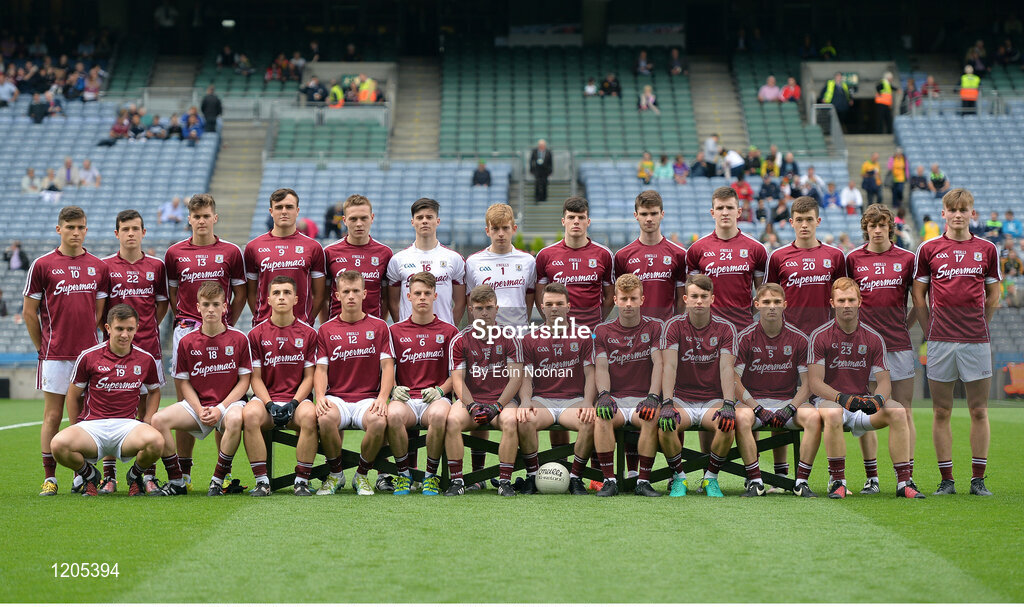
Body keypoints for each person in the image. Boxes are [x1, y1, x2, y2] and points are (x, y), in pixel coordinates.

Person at [913, 189, 1000, 496]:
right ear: (944, 213)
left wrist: (982, 324)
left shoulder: (987, 249)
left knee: (978, 410)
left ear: (972, 213)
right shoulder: (929, 248)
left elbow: (994, 293)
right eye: (953, 210)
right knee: (941, 411)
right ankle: (946, 480)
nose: (959, 215)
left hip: (975, 340)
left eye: (964, 210)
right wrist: (928, 328)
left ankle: (978, 479)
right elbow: (918, 295)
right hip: (940, 341)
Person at [809, 279, 923, 499]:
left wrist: (878, 400)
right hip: (830, 402)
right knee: (833, 412)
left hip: (861, 402)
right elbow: (815, 383)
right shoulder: (819, 335)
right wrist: (843, 399)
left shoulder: (873, 337)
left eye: (851, 299)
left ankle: (904, 482)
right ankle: (838, 482)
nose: (846, 305)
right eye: (841, 300)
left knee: (899, 411)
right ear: (832, 302)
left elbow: (884, 381)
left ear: (860, 302)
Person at [24, 206, 110, 496]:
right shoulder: (43, 264)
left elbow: (99, 315)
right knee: (52, 415)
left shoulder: (99, 267)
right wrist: (42, 347)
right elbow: (28, 311)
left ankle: (80, 474)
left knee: (83, 418)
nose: (76, 232)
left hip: (87, 356)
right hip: (55, 355)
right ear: (58, 229)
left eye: (81, 227)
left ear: (86, 230)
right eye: (70, 227)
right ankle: (51, 478)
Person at [163, 194, 246, 493]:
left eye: (206, 215)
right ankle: (183, 472)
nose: (201, 220)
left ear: (215, 217)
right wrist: (187, 320)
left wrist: (227, 324)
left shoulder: (231, 251)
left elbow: (240, 294)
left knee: (220, 399)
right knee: (188, 403)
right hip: (188, 331)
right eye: (196, 216)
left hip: (221, 331)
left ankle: (222, 473)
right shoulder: (174, 253)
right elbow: (172, 295)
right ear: (189, 219)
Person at [49, 304, 164, 497]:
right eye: (119, 328)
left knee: (156, 442)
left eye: (130, 329)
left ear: (137, 329)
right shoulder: (89, 356)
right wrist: (75, 425)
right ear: (108, 328)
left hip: (127, 426)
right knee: (58, 445)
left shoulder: (146, 359)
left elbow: (154, 391)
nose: (125, 334)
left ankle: (134, 476)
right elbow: (73, 395)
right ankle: (90, 475)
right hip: (93, 426)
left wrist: (148, 419)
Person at [151, 281, 251, 496]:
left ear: (225, 307)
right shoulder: (186, 341)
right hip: (198, 405)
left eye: (216, 304)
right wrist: (198, 409)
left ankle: (218, 479)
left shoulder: (239, 338)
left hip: (229, 404)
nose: (211, 309)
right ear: (198, 307)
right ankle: (177, 480)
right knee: (158, 420)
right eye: (206, 305)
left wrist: (220, 408)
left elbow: (244, 382)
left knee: (234, 419)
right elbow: (183, 382)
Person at [847, 204, 918, 489]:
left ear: (890, 226)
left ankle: (907, 478)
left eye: (882, 225)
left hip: (897, 345)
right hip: (861, 349)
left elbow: (920, 301)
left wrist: (905, 325)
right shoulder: (852, 259)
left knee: (904, 409)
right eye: (872, 225)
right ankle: (872, 478)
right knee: (865, 410)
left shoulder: (907, 259)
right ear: (866, 227)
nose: (877, 230)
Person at [98, 209, 169, 494]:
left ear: (144, 233)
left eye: (135, 229)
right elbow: (101, 307)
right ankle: (109, 475)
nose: (130, 233)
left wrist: (147, 329)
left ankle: (145, 474)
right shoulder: (105, 267)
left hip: (148, 348)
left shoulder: (156, 266)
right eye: (125, 229)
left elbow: (161, 305)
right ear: (117, 233)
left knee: (147, 411)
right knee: (110, 408)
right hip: (113, 353)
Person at [733, 283, 822, 497]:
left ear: (785, 305)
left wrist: (791, 408)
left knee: (813, 418)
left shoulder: (799, 338)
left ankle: (801, 481)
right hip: (752, 402)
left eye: (776, 302)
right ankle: (755, 481)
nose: (771, 307)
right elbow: (733, 379)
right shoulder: (745, 337)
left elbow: (808, 382)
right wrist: (756, 408)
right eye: (766, 302)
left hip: (786, 400)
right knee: (741, 418)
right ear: (756, 305)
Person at [313, 271, 394, 496]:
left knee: (378, 422)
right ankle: (336, 474)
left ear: (365, 294)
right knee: (325, 417)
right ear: (337, 295)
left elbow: (388, 367)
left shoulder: (379, 327)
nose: (351, 296)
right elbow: (321, 369)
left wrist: (382, 398)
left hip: (368, 398)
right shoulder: (326, 329)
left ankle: (362, 475)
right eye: (346, 291)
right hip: (336, 397)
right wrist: (320, 397)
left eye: (356, 291)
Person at [659, 274, 739, 497]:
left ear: (713, 299)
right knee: (665, 423)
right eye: (694, 296)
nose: (699, 301)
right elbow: (670, 367)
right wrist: (667, 402)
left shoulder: (725, 328)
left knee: (727, 423)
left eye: (704, 296)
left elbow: (726, 369)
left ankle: (710, 478)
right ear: (685, 298)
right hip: (682, 397)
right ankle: (679, 477)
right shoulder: (672, 326)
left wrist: (728, 404)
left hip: (712, 398)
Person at [516, 283, 597, 496]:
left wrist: (588, 402)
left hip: (574, 400)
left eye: (559, 304)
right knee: (524, 419)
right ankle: (532, 476)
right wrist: (525, 401)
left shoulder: (584, 335)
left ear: (569, 306)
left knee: (591, 420)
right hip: (543, 400)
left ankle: (575, 478)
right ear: (541, 307)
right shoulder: (529, 338)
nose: (554, 308)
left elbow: (591, 374)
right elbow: (525, 376)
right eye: (549, 304)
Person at [242, 276, 319, 496]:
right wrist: (269, 404)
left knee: (310, 417)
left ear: (296, 298)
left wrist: (294, 403)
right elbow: (255, 378)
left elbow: (309, 377)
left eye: (286, 293)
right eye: (276, 293)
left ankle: (302, 480)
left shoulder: (309, 333)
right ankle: (262, 482)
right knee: (249, 415)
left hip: (298, 399)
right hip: (267, 399)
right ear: (268, 299)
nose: (281, 297)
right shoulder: (256, 334)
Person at [444, 285, 523, 496]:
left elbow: (516, 379)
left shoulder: (509, 336)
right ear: (471, 310)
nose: (484, 313)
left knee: (509, 421)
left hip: (502, 401)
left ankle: (505, 481)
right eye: (479, 308)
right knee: (451, 421)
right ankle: (457, 481)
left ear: (497, 308)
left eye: (489, 308)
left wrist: (497, 407)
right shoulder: (460, 339)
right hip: (471, 400)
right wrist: (471, 406)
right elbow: (458, 381)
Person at [385, 272, 459, 496]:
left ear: (436, 295)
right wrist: (393, 388)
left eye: (427, 293)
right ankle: (403, 475)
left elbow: (456, 374)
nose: (422, 297)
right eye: (417, 293)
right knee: (393, 415)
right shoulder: (394, 331)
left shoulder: (449, 331)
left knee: (438, 416)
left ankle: (430, 476)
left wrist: (440, 390)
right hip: (406, 400)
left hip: (435, 399)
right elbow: (386, 369)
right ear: (408, 296)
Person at [592, 274, 664, 496]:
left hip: (643, 397)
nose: (629, 304)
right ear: (615, 300)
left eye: (633, 298)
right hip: (616, 399)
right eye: (624, 299)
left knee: (651, 416)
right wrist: (604, 394)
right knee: (602, 415)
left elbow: (659, 363)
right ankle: (609, 480)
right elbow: (601, 367)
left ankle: (643, 481)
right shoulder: (603, 330)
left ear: (643, 299)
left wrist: (652, 396)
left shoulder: (655, 327)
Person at [685, 186, 768, 331]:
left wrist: (746, 315)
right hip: (707, 330)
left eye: (730, 207)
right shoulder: (696, 249)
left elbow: (762, 294)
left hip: (743, 330)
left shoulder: (756, 249)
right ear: (712, 213)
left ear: (739, 212)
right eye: (720, 208)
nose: (725, 213)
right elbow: (691, 296)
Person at [244, 188, 326, 326]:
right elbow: (251, 293)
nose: (284, 211)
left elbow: (319, 295)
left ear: (297, 211)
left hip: (301, 328)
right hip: (264, 327)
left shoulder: (313, 247)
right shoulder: (253, 247)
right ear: (271, 212)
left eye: (289, 207)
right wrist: (263, 318)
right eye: (278, 207)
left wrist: (306, 321)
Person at [766, 197, 846, 336]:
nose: (804, 225)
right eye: (799, 220)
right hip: (788, 336)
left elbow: (843, 298)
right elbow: (768, 298)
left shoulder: (835, 255)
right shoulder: (777, 256)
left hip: (826, 335)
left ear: (818, 221)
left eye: (809, 219)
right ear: (791, 222)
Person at [535, 196, 614, 331]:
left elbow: (610, 297)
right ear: (563, 221)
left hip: (591, 331)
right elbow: (539, 297)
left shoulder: (604, 254)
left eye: (581, 218)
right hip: (559, 332)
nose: (576, 222)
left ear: (588, 222)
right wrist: (552, 323)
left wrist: (597, 321)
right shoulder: (545, 255)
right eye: (571, 217)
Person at [387, 198, 466, 325]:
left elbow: (461, 303)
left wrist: (449, 328)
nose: (424, 221)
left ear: (437, 221)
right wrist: (403, 328)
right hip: (409, 335)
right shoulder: (398, 260)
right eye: (420, 218)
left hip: (443, 335)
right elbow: (393, 303)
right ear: (412, 222)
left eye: (429, 217)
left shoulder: (454, 258)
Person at [465, 203, 536, 328]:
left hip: (518, 335)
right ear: (487, 231)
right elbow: (471, 304)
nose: (501, 233)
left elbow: (529, 302)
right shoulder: (473, 262)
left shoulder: (528, 261)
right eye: (495, 228)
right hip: (486, 336)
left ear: (514, 229)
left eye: (505, 228)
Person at [324, 195, 393, 321]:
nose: (359, 224)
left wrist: (378, 325)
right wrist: (327, 327)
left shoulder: (385, 253)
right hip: (337, 331)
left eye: (364, 218)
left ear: (372, 218)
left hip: (372, 332)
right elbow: (323, 298)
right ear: (344, 220)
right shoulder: (329, 252)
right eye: (353, 219)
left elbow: (386, 299)